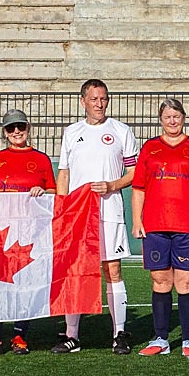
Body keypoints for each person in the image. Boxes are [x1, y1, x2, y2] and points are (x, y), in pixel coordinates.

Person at [54, 79, 139, 355]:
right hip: (78, 216)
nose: (99, 104)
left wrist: (113, 185)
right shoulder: (71, 132)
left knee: (111, 269)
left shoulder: (121, 131)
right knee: (76, 271)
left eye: (103, 99)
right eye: (93, 99)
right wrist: (61, 210)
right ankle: (72, 336)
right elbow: (64, 173)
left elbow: (135, 173)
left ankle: (119, 333)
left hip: (110, 212)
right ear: (83, 102)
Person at [131, 98, 189, 358]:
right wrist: (137, 220)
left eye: (176, 116)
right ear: (161, 119)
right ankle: (161, 338)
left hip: (188, 225)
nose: (172, 121)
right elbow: (138, 188)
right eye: (167, 117)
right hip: (156, 224)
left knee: (186, 281)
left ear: (184, 117)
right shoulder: (150, 148)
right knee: (160, 280)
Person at [0, 109, 55, 356]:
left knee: (22, 282)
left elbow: (54, 192)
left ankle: (19, 335)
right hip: (0, 231)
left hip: (28, 231)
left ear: (28, 128)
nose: (16, 132)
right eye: (11, 128)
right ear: (5, 132)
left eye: (20, 126)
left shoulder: (41, 159)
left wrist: (43, 193)